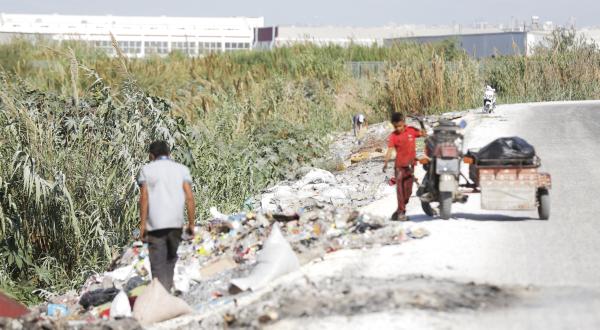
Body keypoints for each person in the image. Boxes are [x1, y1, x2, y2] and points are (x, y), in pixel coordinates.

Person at [138, 141, 195, 291]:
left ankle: (161, 294)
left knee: (157, 263)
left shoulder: (146, 170)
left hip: (155, 225)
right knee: (170, 259)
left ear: (151, 155)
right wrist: (191, 224)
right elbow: (189, 197)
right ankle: (167, 291)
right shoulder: (181, 169)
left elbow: (144, 198)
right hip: (175, 223)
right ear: (169, 154)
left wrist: (142, 225)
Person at [382, 112, 427, 221]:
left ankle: (399, 211)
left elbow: (424, 135)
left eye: (400, 126)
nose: (398, 128)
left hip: (410, 167)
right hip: (399, 167)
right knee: (400, 191)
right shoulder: (393, 136)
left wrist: (421, 123)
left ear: (404, 123)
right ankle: (401, 212)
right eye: (396, 126)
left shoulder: (411, 131)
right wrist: (386, 162)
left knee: (408, 192)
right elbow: (390, 150)